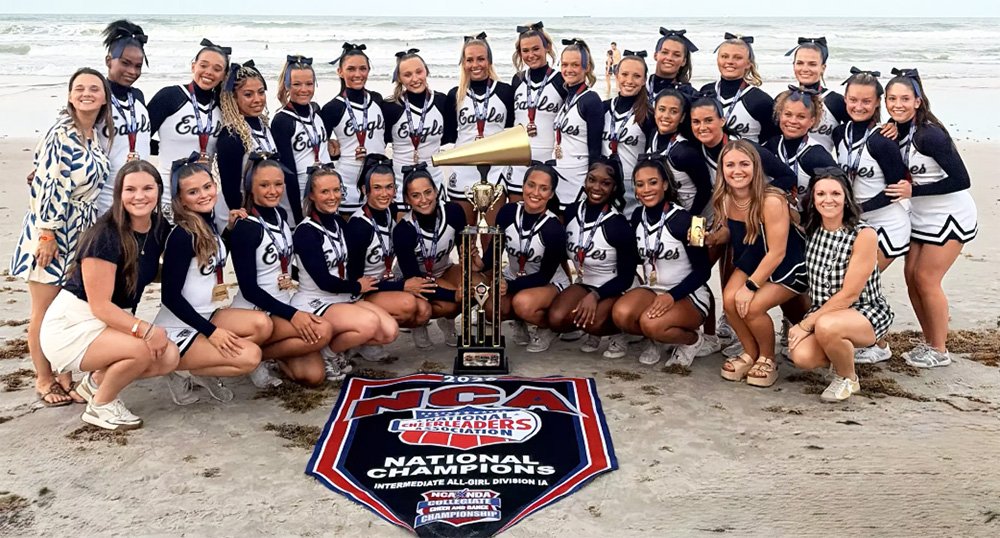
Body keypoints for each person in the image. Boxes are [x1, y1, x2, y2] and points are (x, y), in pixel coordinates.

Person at [39, 160, 176, 429]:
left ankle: (94, 383)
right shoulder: (105, 236)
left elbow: (151, 268)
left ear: (159, 190)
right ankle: (101, 406)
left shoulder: (158, 227)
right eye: (130, 189)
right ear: (119, 194)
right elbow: (100, 306)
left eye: (148, 188)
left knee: (168, 357)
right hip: (75, 323)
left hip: (110, 319)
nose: (139, 196)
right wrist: (146, 330)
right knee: (143, 349)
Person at [11, 67, 112, 407]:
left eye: (94, 88)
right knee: (43, 309)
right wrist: (46, 234)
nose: (86, 93)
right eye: (79, 88)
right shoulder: (61, 133)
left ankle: (65, 373)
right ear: (70, 95)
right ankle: (43, 378)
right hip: (52, 231)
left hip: (80, 232)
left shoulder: (93, 135)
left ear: (104, 97)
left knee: (64, 309)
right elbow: (48, 184)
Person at [153, 155, 270, 402]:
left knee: (262, 325)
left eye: (207, 187)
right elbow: (170, 297)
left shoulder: (208, 224)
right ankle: (179, 370)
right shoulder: (182, 236)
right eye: (193, 192)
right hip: (180, 325)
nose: (204, 195)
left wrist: (228, 231)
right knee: (250, 357)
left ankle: (202, 367)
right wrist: (212, 332)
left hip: (209, 313)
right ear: (180, 199)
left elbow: (209, 259)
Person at [886, 68, 977, 368]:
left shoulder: (930, 134)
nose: (897, 104)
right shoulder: (898, 130)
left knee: (927, 279)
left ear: (917, 101)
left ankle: (939, 350)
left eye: (904, 98)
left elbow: (962, 179)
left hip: (950, 215)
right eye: (891, 99)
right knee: (911, 278)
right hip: (921, 215)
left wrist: (913, 190)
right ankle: (929, 341)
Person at [788, 167, 894, 401]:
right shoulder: (812, 230)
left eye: (835, 193)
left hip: (864, 310)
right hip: (824, 311)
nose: (828, 200)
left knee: (827, 326)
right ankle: (839, 350)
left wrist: (805, 325)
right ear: (812, 199)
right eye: (821, 194)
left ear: (846, 198)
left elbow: (849, 294)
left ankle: (848, 378)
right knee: (802, 356)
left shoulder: (863, 234)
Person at [711, 140, 808, 388]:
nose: (737, 171)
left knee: (752, 307)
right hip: (753, 258)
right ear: (722, 169)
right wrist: (714, 237)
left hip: (787, 264)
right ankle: (750, 353)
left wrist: (751, 286)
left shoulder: (771, 200)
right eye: (730, 165)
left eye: (744, 164)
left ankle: (767, 358)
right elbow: (734, 232)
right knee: (729, 301)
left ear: (756, 167)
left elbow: (777, 251)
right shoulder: (725, 198)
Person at [229, 156, 333, 386]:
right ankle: (253, 356)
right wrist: (293, 315)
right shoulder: (245, 227)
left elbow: (282, 263)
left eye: (278, 184)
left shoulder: (281, 216)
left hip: (283, 303)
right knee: (322, 330)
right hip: (257, 311)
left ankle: (265, 354)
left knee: (313, 376)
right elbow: (249, 289)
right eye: (264, 185)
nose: (273, 191)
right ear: (250, 187)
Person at [293, 166, 398, 379]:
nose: (332, 197)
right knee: (369, 324)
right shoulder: (306, 231)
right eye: (324, 192)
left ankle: (338, 347)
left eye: (336, 190)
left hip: (342, 296)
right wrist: (357, 286)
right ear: (311, 195)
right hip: (317, 299)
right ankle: (328, 354)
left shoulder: (340, 222)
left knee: (389, 331)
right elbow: (323, 281)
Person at [612, 156, 711, 365]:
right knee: (621, 314)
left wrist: (672, 296)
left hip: (688, 294)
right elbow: (635, 257)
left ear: (665, 184)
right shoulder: (637, 215)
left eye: (653, 182)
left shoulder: (690, 221)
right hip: (653, 289)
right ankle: (657, 339)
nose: (646, 189)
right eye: (640, 184)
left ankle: (692, 340)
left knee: (651, 323)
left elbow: (704, 271)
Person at [547, 158, 638, 358]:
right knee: (556, 318)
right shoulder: (571, 212)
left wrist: (596, 296)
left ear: (614, 188)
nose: (596, 187)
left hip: (618, 287)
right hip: (586, 282)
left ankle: (619, 332)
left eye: (605, 183)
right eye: (592, 179)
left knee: (594, 322)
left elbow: (626, 277)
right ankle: (590, 325)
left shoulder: (618, 224)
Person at [346, 155, 432, 360]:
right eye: (377, 188)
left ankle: (372, 330)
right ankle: (362, 338)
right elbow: (354, 281)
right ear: (365, 190)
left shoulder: (390, 211)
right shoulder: (359, 226)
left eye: (389, 187)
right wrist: (402, 286)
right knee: (407, 304)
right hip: (360, 292)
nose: (384, 194)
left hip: (382, 283)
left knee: (424, 310)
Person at [476, 163, 569, 352]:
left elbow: (544, 276)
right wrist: (476, 261)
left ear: (551, 194)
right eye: (531, 185)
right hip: (514, 276)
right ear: (523, 185)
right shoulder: (508, 212)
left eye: (543, 188)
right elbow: (494, 253)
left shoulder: (554, 228)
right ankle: (519, 320)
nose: (535, 193)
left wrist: (510, 286)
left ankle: (547, 328)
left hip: (548, 282)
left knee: (522, 304)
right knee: (491, 308)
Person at [833, 68, 910, 270]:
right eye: (853, 100)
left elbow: (895, 191)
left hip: (887, 224)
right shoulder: (839, 133)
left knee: (859, 282)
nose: (858, 107)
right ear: (845, 99)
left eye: (866, 101)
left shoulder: (883, 140)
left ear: (877, 102)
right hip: (855, 222)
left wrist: (855, 210)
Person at [148, 38, 228, 218]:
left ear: (224, 75)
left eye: (217, 69)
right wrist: (163, 148)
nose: (209, 72)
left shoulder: (223, 107)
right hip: (168, 191)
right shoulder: (170, 96)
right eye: (203, 65)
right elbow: (141, 138)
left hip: (203, 195)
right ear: (193, 66)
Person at [393, 164, 467, 348]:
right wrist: (453, 295)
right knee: (450, 303)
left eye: (428, 192)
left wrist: (473, 262)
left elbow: (464, 253)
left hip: (444, 269)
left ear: (436, 191)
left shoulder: (453, 212)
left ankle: (447, 320)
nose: (424, 200)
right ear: (407, 199)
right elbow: (415, 280)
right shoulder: (403, 230)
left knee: (473, 285)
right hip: (415, 279)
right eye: (416, 195)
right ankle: (419, 322)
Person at [445, 33, 515, 224]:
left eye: (481, 59)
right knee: (464, 235)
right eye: (469, 60)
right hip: (464, 170)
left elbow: (511, 131)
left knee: (491, 235)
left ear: (489, 61)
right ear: (463, 63)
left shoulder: (505, 92)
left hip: (495, 171)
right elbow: (449, 135)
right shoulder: (455, 95)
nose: (475, 64)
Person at [319, 42, 387, 216]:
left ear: (369, 70)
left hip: (377, 182)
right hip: (347, 182)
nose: (358, 74)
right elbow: (320, 148)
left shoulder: (378, 100)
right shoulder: (332, 108)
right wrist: (334, 151)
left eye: (363, 69)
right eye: (351, 69)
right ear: (340, 71)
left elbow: (385, 137)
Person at [96, 19, 151, 216]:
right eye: (125, 63)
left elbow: (140, 138)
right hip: (105, 199)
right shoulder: (97, 97)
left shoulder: (138, 96)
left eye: (138, 66)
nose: (132, 71)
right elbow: (71, 137)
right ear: (108, 60)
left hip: (138, 197)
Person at [215, 60, 275, 231]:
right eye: (248, 94)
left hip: (261, 208)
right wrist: (241, 216)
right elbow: (230, 186)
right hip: (237, 213)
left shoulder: (264, 125)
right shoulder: (232, 135)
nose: (257, 99)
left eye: (261, 92)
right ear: (233, 98)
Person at [510, 21, 565, 203]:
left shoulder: (560, 80)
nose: (531, 55)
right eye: (525, 51)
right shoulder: (517, 80)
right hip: (519, 161)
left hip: (549, 162)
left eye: (536, 49)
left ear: (547, 47)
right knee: (517, 213)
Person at [382, 50, 448, 201]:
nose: (415, 79)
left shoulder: (441, 101)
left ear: (427, 71)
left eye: (419, 72)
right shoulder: (390, 106)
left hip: (434, 178)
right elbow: (382, 140)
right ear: (399, 78)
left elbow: (450, 136)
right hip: (400, 180)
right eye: (407, 75)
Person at [271, 55, 329, 223]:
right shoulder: (282, 120)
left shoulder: (316, 113)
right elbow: (287, 172)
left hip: (325, 191)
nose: (304, 89)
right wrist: (298, 214)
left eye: (309, 84)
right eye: (297, 84)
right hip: (300, 195)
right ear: (287, 85)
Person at [763, 86, 838, 212]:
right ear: (780, 115)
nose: (793, 121)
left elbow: (839, 190)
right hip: (773, 215)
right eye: (788, 114)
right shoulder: (771, 145)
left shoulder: (816, 155)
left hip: (807, 219)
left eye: (801, 117)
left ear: (812, 121)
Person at [553, 38, 603, 208]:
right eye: (564, 65)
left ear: (586, 67)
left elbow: (595, 148)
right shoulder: (567, 97)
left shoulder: (591, 100)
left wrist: (591, 183)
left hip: (578, 177)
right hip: (560, 172)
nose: (568, 70)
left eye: (575, 65)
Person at [700, 34, 777, 144]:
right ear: (717, 60)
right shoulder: (706, 91)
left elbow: (771, 140)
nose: (730, 61)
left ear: (748, 64)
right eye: (724, 56)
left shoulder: (761, 101)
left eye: (738, 57)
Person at [603, 51, 654, 215]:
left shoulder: (649, 115)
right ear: (616, 75)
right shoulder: (603, 108)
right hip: (604, 184)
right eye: (624, 74)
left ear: (644, 80)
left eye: (637, 76)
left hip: (633, 188)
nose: (629, 81)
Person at [647, 89, 712, 216]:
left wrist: (690, 219)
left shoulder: (684, 152)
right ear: (654, 111)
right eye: (661, 109)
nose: (666, 116)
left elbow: (705, 190)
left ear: (682, 117)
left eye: (674, 111)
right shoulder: (653, 135)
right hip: (667, 213)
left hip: (691, 214)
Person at [786, 37, 849, 153]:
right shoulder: (784, 99)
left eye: (812, 64)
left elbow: (862, 131)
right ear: (793, 65)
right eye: (800, 63)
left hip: (822, 163)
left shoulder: (836, 102)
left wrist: (886, 126)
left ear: (823, 68)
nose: (805, 69)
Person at [647, 28, 698, 106]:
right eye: (665, 52)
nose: (669, 58)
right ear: (655, 55)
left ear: (683, 61)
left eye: (676, 55)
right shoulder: (640, 86)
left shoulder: (689, 95)